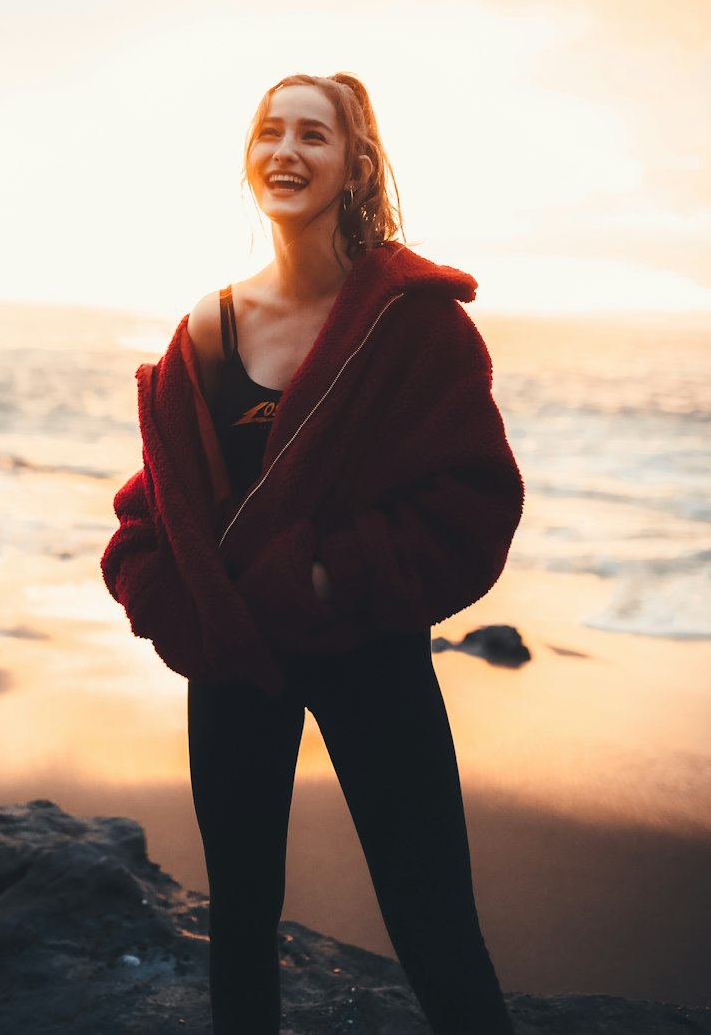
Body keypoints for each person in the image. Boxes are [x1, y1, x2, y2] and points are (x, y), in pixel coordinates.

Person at [101, 71, 523, 1035]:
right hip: (236, 658)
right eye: (268, 131)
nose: (286, 151)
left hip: (370, 649)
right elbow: (154, 503)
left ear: (354, 165)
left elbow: (473, 499)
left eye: (313, 136)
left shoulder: (413, 323)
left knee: (434, 920)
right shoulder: (206, 328)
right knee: (241, 921)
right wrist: (164, 595)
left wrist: (334, 576)